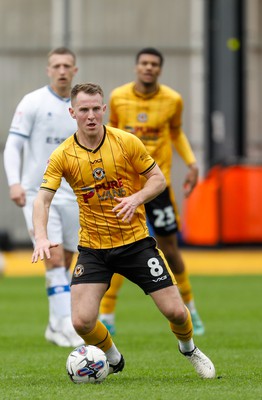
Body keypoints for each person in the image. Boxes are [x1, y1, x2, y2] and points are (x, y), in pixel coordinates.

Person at [31, 82, 215, 379]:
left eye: (95, 109)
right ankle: (114, 358)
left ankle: (189, 349)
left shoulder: (126, 142)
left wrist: (136, 197)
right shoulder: (63, 155)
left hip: (135, 243)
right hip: (93, 249)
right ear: (72, 112)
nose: (90, 115)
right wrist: (40, 236)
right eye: (83, 110)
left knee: (177, 313)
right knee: (81, 321)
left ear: (103, 110)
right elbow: (42, 199)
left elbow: (157, 179)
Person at [99, 47, 205, 336]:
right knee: (117, 246)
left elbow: (176, 132)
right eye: (144, 63)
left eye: (154, 64)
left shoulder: (173, 100)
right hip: (126, 187)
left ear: (160, 69)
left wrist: (192, 162)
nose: (148, 68)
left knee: (170, 248)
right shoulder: (119, 97)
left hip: (159, 184)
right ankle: (107, 314)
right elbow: (111, 135)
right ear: (136, 67)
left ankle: (190, 310)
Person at [3, 47, 83, 347]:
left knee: (70, 261)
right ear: (48, 69)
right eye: (56, 65)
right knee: (54, 257)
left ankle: (55, 324)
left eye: (67, 66)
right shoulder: (33, 102)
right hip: (39, 193)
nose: (62, 70)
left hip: (73, 195)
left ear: (75, 70)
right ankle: (65, 325)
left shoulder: (81, 107)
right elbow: (13, 146)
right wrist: (15, 183)